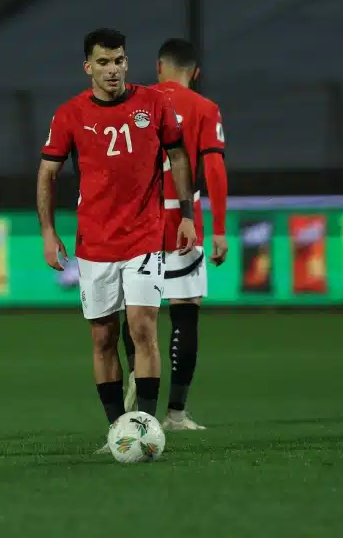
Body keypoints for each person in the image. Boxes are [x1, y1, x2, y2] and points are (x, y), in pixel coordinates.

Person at [37, 28, 197, 449]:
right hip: (95, 243)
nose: (113, 69)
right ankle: (116, 430)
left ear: (127, 62)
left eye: (119, 60)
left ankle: (145, 426)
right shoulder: (70, 114)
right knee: (103, 337)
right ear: (88, 67)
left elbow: (178, 155)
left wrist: (186, 215)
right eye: (104, 62)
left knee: (143, 327)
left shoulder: (153, 104)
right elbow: (47, 173)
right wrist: (48, 231)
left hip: (144, 237)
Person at [119, 38, 228, 430]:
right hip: (183, 223)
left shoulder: (137, 103)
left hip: (138, 221)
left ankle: (136, 379)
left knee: (137, 312)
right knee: (185, 315)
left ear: (158, 67)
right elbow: (214, 169)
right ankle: (176, 414)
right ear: (195, 73)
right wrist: (219, 230)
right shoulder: (205, 108)